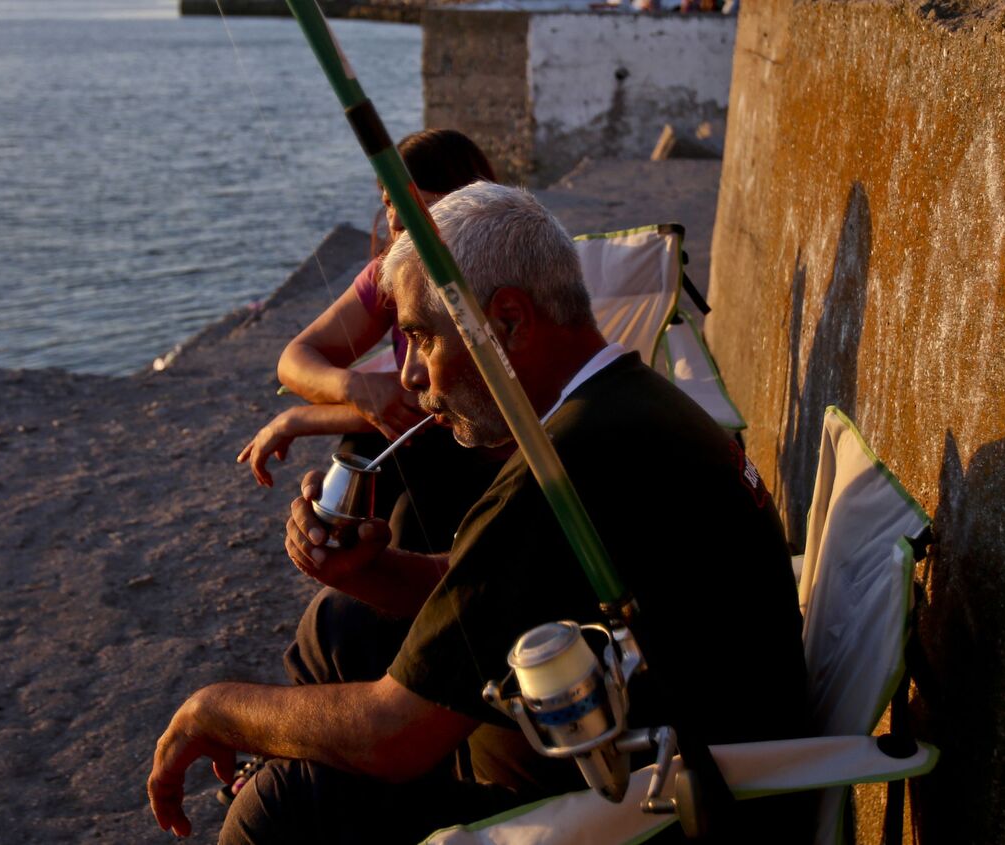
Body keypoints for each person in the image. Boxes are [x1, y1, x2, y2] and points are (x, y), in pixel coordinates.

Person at [149, 183, 812, 843]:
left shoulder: (569, 466)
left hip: (642, 807)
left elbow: (394, 736)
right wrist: (371, 570)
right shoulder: (624, 405)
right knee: (346, 623)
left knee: (287, 804)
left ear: (511, 322)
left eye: (419, 337)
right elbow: (493, 585)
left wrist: (213, 710)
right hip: (591, 744)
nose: (409, 374)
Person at [237, 128, 503, 555]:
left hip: (484, 450)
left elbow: (446, 405)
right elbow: (295, 359)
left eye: (419, 205)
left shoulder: (485, 280)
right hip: (425, 442)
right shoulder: (390, 275)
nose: (397, 220)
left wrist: (296, 420)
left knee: (406, 509)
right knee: (358, 461)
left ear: (467, 209)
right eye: (389, 203)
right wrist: (356, 388)